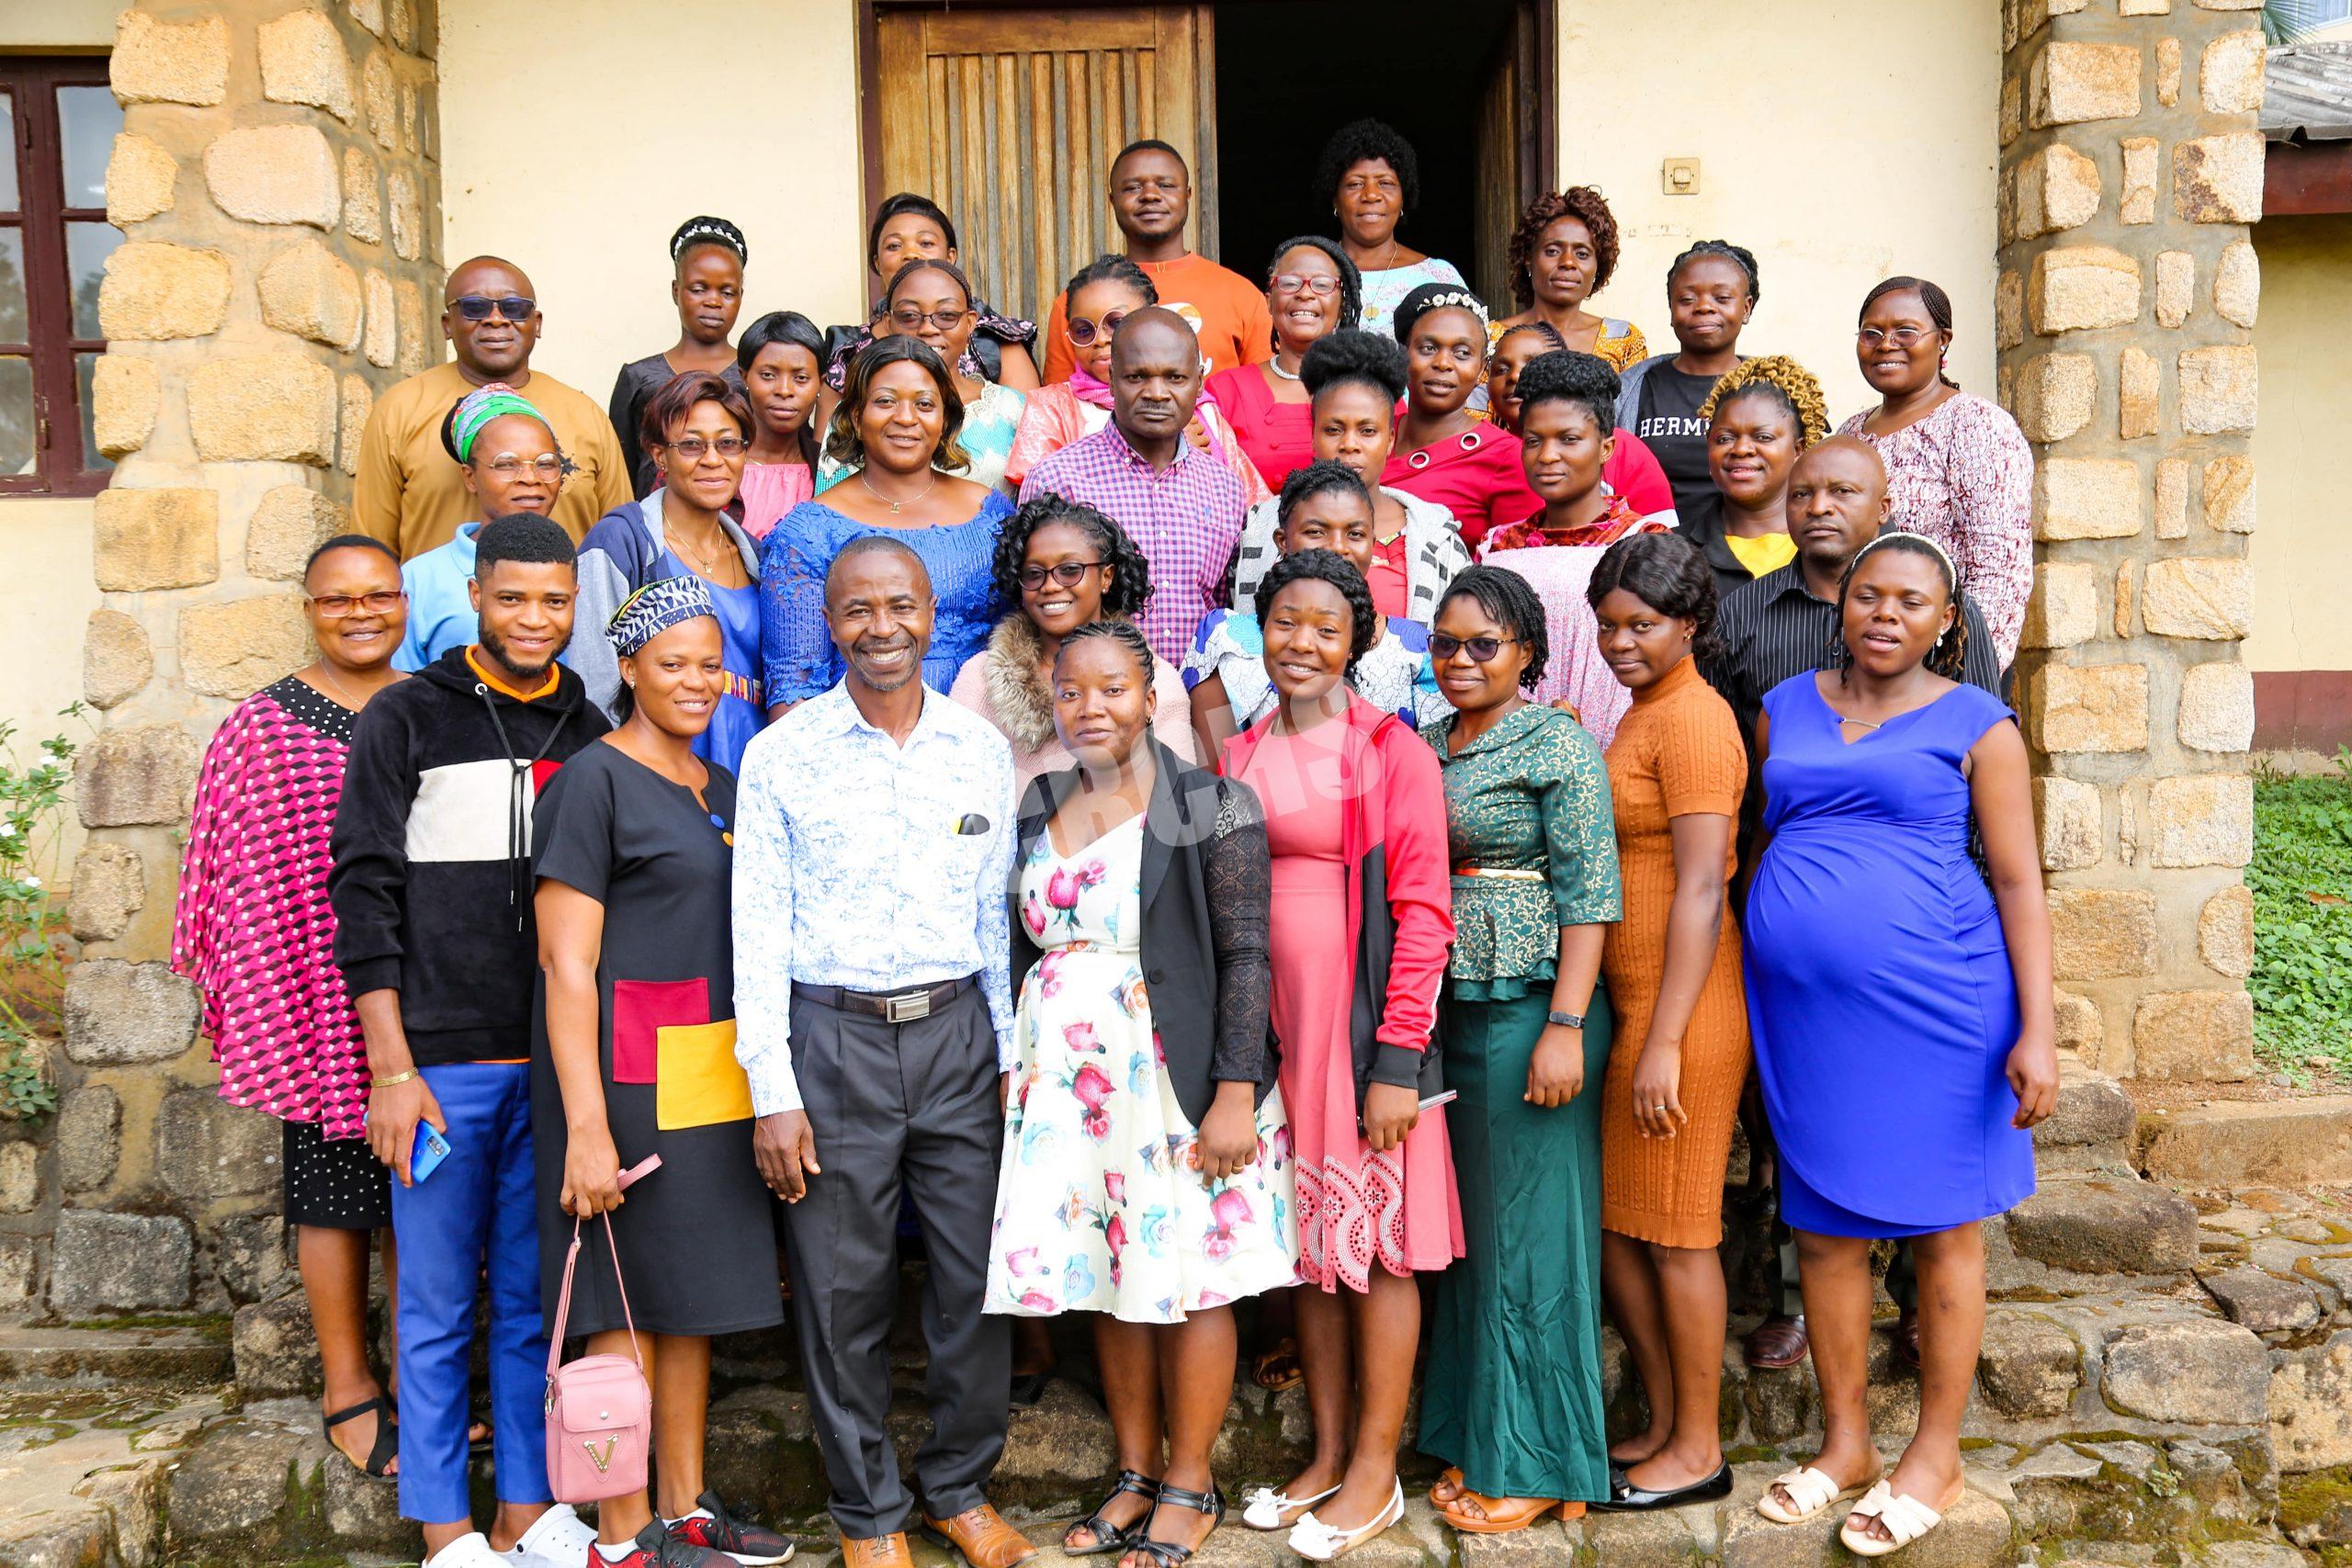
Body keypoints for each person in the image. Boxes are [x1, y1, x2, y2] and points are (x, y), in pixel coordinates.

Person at [1744, 533, 2055, 1557]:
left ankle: (1935, 1453)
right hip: (1807, 1019)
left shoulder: (1979, 723)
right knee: (1823, 1228)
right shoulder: (1784, 705)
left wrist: (2040, 1029)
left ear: (1946, 620)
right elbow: (1768, 839)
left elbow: (2018, 880)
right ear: (1841, 604)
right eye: (1868, 595)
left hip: (1942, 1005)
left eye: (1911, 601)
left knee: (1943, 1226)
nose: (1885, 613)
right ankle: (1846, 1445)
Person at [732, 537, 1033, 1568]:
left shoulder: (976, 747)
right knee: (840, 1288)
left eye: (900, 604)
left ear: (929, 611)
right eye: (858, 609)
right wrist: (772, 1088)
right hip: (832, 1039)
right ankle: (867, 1515)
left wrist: (1006, 1053)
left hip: (957, 1034)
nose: (881, 626)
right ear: (829, 623)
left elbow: (991, 915)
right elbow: (757, 929)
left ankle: (959, 1487)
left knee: (971, 1277)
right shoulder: (783, 754)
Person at [328, 514, 611, 1568]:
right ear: (475, 598)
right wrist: (392, 1068)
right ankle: (446, 1524)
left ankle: (527, 1510)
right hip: (440, 1066)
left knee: (536, 1302)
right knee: (437, 1302)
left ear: (573, 607)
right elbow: (363, 895)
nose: (534, 618)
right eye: (513, 598)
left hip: (549, 1064)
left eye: (553, 601)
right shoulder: (404, 717)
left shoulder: (588, 728)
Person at [987, 618, 1293, 1568]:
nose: (1091, 708)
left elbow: (1247, 955)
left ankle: (1190, 1483)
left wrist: (1234, 1091)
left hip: (1173, 1077)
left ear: (1150, 695)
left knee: (1191, 1278)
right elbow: (1019, 944)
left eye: (1113, 688)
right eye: (1071, 691)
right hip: (1069, 1085)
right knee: (1106, 1271)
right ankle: (1133, 1473)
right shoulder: (1039, 800)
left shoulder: (1210, 802)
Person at [1702, 436, 2003, 1374]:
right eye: (1806, 491)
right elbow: (1754, 804)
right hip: (1794, 976)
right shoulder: (1758, 641)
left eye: (1844, 491)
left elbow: (1994, 831)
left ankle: (1916, 1312)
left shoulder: (1962, 684)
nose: (1820, 505)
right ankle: (1800, 1315)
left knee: (1931, 1176)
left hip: (1928, 961)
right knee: (1807, 1167)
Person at [531, 577, 795, 1568]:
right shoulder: (591, 781)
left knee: (690, 1296)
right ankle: (621, 1533)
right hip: (622, 1081)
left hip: (707, 1071)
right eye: (670, 663)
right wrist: (586, 1125)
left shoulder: (721, 785)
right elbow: (566, 967)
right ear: (630, 668)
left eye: (708, 664)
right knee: (626, 1297)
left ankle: (683, 1511)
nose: (694, 680)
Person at [1223, 551, 1460, 1562]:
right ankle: (1324, 1454)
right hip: (1273, 1031)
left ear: (1359, 639)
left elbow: (1425, 911)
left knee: (1382, 1251)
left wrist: (1399, 1058)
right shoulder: (1237, 752)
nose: (1303, 643)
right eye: (1285, 621)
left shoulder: (1390, 751)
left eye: (1327, 627)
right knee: (1309, 1252)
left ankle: (1374, 1470)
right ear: (1259, 629)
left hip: (1358, 1031)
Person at [174, 535, 412, 1480]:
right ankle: (348, 1389)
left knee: (422, 1196)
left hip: (428, 983)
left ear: (404, 602)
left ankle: (424, 1390)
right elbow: (229, 869)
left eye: (377, 595)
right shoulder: (263, 725)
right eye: (337, 599)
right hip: (314, 991)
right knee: (337, 1193)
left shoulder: (431, 704)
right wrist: (268, 993)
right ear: (308, 610)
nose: (360, 613)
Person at [1416, 566, 1620, 1533]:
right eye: (1444, 643)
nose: (1460, 660)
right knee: (1475, 1239)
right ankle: (1480, 1434)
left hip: (1535, 1008)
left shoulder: (1557, 742)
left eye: (1483, 645)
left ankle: (1542, 1462)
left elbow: (1590, 892)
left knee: (1532, 1236)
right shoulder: (1427, 741)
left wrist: (1565, 1028)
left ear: (1526, 652)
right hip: (1452, 1010)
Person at [1580, 531, 1747, 1516]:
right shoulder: (1643, 713)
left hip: (1686, 1011)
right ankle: (1665, 1419)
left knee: (1680, 1235)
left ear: (1689, 624)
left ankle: (1700, 1448)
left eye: (1641, 625)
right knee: (1624, 1229)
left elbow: (1700, 887)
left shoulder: (1695, 720)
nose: (1620, 643)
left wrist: (1667, 1040)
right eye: (1608, 626)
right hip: (1638, 1005)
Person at [761, 336, 1016, 710]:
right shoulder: (808, 532)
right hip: (856, 734)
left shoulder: (991, 515)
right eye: (885, 401)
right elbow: (792, 689)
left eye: (924, 404)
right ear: (855, 416)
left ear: (945, 419)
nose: (906, 418)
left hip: (985, 728)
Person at [354, 255, 631, 557]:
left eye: (514, 308)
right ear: (447, 325)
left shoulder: (584, 414)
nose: (496, 319)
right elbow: (371, 548)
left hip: (567, 588)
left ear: (536, 323)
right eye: (475, 307)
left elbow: (623, 542)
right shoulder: (399, 410)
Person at [1017, 309, 1245, 667]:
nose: (1157, 393)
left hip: (1198, 696)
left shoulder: (1225, 487)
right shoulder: (1058, 480)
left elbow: (1221, 611)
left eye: (1175, 377)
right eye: (1137, 377)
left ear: (1199, 383)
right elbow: (1032, 611)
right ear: (1111, 380)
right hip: (1092, 693)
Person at [1835, 276, 2032, 671]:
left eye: (1905, 332)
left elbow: (2000, 571)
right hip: (1857, 664)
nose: (1886, 344)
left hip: (1946, 668)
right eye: (1872, 333)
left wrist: (1958, 669)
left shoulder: (1975, 424)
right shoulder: (1850, 433)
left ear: (1942, 340)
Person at [573, 371, 766, 773]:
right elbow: (593, 681)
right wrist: (622, 783)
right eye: (692, 444)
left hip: (750, 770)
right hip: (653, 776)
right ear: (660, 455)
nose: (712, 459)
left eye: (728, 443)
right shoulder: (623, 543)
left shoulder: (758, 557)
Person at [1188, 461, 1441, 758]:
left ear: (1372, 544)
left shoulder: (1415, 649)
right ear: (1282, 541)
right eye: (1316, 531)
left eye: (1355, 534)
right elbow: (1212, 772)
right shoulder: (1226, 639)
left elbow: (1428, 763)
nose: (1337, 547)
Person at [1479, 352, 1667, 749]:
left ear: (1606, 448)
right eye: (1534, 441)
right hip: (1504, 752)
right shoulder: (1497, 546)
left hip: (1617, 749)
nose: (1547, 456)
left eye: (1569, 439)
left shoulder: (1644, 542)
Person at [951, 494, 1197, 789]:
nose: (1050, 586)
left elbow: (1180, 796)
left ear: (1106, 577)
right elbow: (955, 795)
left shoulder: (1157, 681)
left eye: (1070, 570)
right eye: (1034, 574)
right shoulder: (979, 681)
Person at [1227, 332, 1470, 626]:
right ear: (1313, 436)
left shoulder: (1436, 536)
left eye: (1367, 431)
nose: (1350, 445)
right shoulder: (1261, 525)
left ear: (1390, 440)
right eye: (1333, 430)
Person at [1004, 254, 1267, 504]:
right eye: (1084, 330)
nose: (1100, 339)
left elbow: (1251, 504)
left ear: (1153, 316)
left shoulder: (1200, 410)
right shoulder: (1051, 407)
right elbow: (1041, 504)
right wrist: (1168, 448)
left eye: (1116, 323)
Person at [1039, 141, 1273, 382]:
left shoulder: (1241, 295)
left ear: (1187, 195)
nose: (1150, 195)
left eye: (1166, 185)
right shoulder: (1076, 303)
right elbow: (1059, 399)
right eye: (1133, 187)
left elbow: (1265, 397)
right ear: (1112, 200)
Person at [395, 384, 568, 671]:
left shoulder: (575, 568)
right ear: (470, 478)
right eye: (507, 464)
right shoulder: (420, 580)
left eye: (546, 464)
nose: (530, 478)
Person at [825, 259, 1026, 495]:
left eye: (947, 315)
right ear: (888, 323)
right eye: (909, 316)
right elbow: (830, 506)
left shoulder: (1013, 408)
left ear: (970, 322)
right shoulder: (859, 411)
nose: (928, 329)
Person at [823, 193, 1040, 392]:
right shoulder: (848, 352)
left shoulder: (994, 339)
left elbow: (1028, 418)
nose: (911, 254)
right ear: (877, 263)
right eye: (894, 246)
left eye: (926, 243)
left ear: (950, 257)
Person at [1613, 242, 1759, 525]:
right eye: (1687, 299)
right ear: (1671, 308)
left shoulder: (1773, 388)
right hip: (1653, 548)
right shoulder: (1629, 390)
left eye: (1722, 298)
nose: (1704, 307)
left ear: (1746, 308)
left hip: (1750, 548)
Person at [1384, 284, 1538, 548]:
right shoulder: (1368, 435)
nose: (1443, 363)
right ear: (1403, 356)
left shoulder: (1508, 458)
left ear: (1482, 369)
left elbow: (1519, 565)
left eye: (1462, 353)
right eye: (1428, 348)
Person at [1204, 237, 1361, 492]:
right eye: (1289, 283)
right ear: (1268, 301)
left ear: (1342, 305)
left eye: (1322, 285)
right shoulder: (1226, 390)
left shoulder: (1370, 385)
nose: (1305, 293)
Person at [608, 217, 750, 499]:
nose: (713, 301)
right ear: (676, 291)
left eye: (727, 292)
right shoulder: (638, 378)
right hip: (653, 521)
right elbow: (619, 473)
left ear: (740, 296)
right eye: (699, 289)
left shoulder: (754, 377)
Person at [1487, 322, 1675, 527]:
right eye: (1533, 441)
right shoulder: (1501, 540)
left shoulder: (1626, 452)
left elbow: (1661, 536)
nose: (1516, 377)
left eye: (1569, 439)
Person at [1678, 356, 1830, 603]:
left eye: (1763, 437)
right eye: (1725, 438)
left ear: (1798, 449)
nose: (1741, 449)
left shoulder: (1835, 544)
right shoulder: (1673, 553)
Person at [1315, 118, 1467, 337]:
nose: (1371, 195)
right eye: (1355, 184)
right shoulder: (1308, 276)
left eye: (1385, 183)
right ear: (1334, 199)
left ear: (1403, 197)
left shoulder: (1438, 277)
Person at [1488, 187, 1646, 373]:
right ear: (1528, 260)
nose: (1568, 262)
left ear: (1598, 266)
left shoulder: (1624, 341)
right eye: (1552, 251)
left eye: (1582, 254)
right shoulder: (1491, 339)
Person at [735, 310, 828, 539]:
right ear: (744, 377)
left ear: (820, 383)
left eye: (801, 378)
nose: (784, 390)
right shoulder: (716, 461)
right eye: (768, 375)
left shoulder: (832, 470)